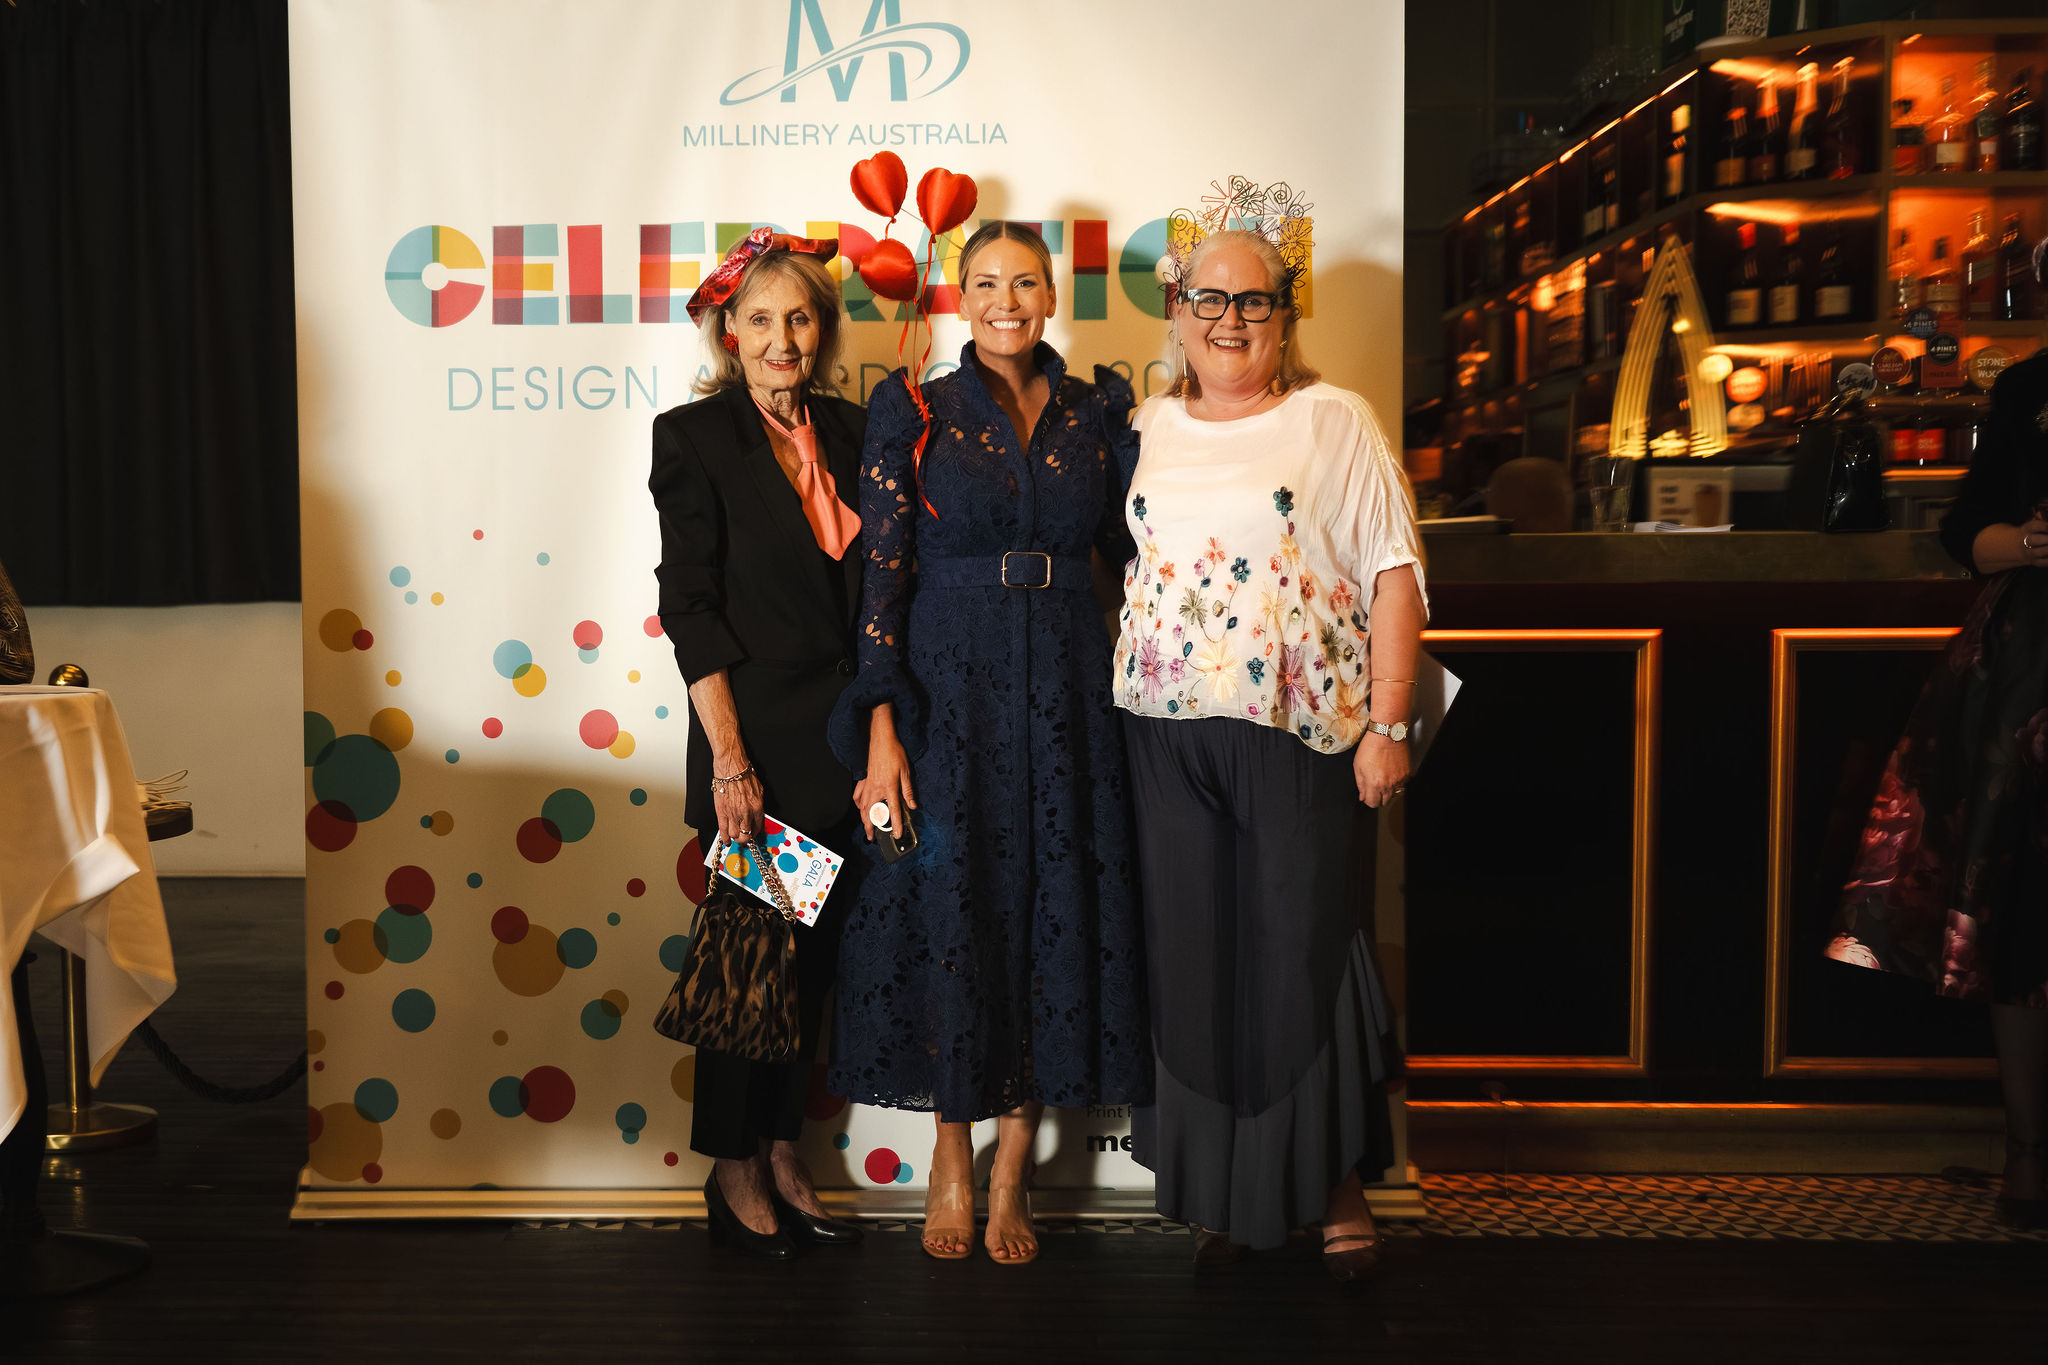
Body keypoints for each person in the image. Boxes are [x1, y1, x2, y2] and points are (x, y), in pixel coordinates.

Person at [828, 221, 1151, 1264]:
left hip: (1067, 686)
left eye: (1024, 282)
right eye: (984, 283)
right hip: (947, 688)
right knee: (952, 907)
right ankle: (950, 1155)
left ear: (1051, 295)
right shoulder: (913, 409)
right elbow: (883, 578)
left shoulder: (1099, 411)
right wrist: (882, 726)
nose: (1005, 299)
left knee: (1051, 909)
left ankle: (1013, 1166)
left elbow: (1141, 551)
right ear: (958, 300)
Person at [1115, 220, 1425, 1280]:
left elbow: (1392, 572)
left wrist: (1389, 723)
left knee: (1301, 951)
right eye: (1209, 298)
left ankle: (1334, 1184)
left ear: (1284, 317)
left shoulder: (1332, 419)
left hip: (1300, 732)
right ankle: (1226, 1191)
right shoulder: (1147, 423)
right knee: (1196, 961)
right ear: (1178, 313)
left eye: (1253, 300)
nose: (1230, 319)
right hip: (1162, 733)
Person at [649, 227, 868, 1260]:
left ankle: (783, 1152)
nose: (784, 339)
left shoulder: (854, 429)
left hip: (845, 750)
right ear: (728, 331)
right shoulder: (694, 439)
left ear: (822, 330)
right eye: (762, 319)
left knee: (809, 974)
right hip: (758, 756)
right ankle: (730, 1168)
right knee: (748, 976)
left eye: (801, 318)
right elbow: (690, 610)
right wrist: (729, 761)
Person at [1829, 243, 2048, 1229]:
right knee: (2021, 907)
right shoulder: (2029, 390)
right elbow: (1968, 528)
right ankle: (2027, 1153)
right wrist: (2027, 543)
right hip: (2033, 669)